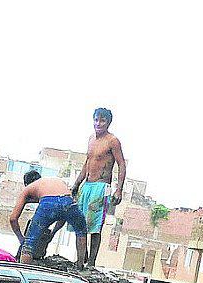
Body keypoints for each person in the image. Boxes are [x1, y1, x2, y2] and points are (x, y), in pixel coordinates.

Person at [72, 107, 126, 268]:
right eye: (96, 119)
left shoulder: (112, 141)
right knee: (80, 223)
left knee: (95, 227)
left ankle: (91, 263)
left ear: (108, 122)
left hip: (101, 187)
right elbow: (87, 163)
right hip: (86, 186)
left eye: (102, 120)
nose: (98, 123)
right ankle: (80, 260)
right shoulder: (91, 139)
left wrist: (119, 189)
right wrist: (76, 184)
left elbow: (121, 164)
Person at [8, 170, 86, 264]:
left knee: (29, 243)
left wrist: (21, 239)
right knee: (81, 232)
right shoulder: (56, 181)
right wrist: (53, 233)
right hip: (68, 201)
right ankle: (81, 265)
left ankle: (25, 270)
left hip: (48, 204)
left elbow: (13, 219)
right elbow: (62, 214)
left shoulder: (28, 188)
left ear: (26, 183)